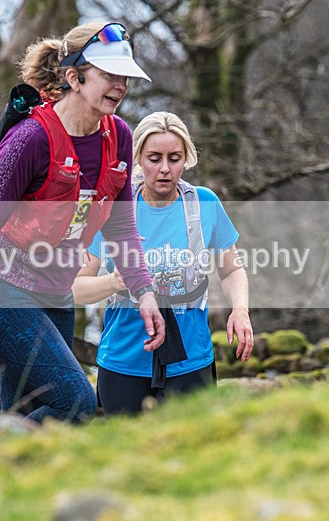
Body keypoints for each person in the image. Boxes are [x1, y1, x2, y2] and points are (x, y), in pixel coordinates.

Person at [0, 22, 165, 423]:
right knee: (75, 401)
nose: (121, 85)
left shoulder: (120, 137)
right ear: (73, 78)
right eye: (110, 75)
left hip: (57, 297)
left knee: (26, 414)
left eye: (126, 77)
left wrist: (144, 293)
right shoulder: (30, 139)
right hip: (3, 292)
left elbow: (122, 230)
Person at [72, 111, 254, 416]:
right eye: (155, 158)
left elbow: (232, 269)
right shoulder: (113, 209)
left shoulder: (204, 204)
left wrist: (241, 310)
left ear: (187, 159)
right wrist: (114, 282)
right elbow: (75, 288)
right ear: (139, 160)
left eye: (175, 158)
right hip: (124, 361)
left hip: (190, 360)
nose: (165, 169)